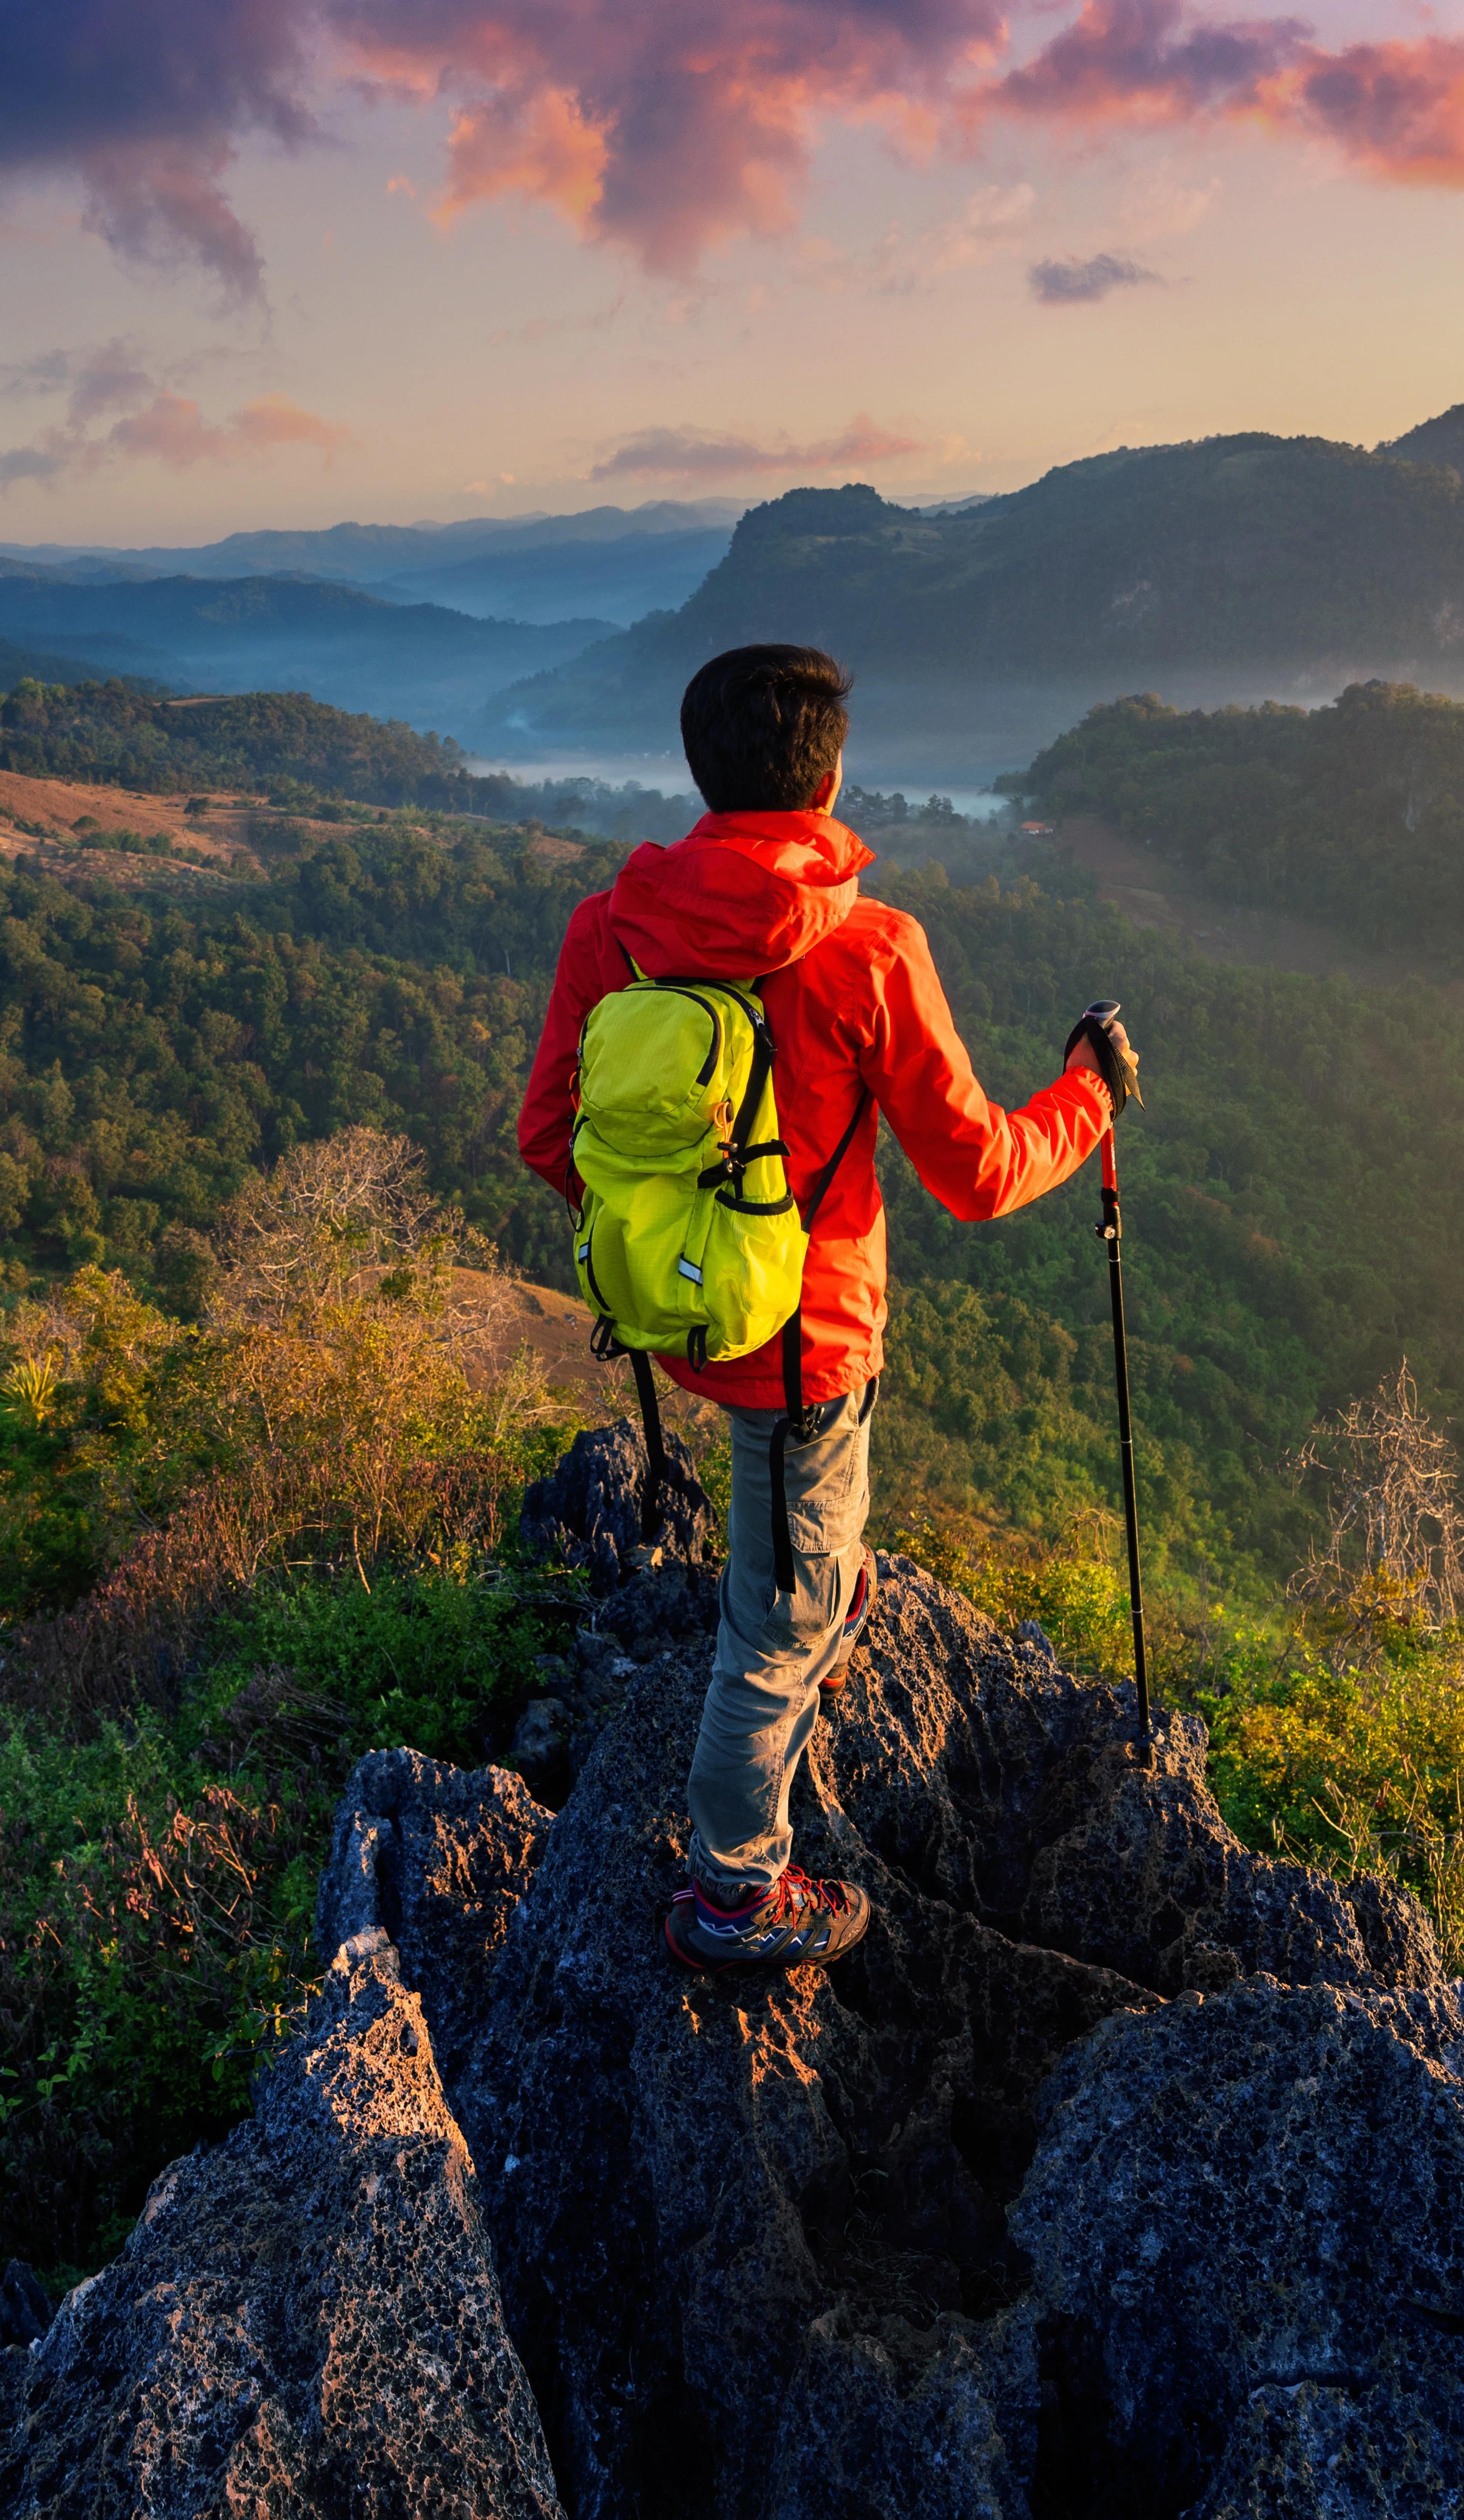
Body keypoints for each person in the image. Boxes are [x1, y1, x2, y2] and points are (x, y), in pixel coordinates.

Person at [518, 643, 1140, 1974]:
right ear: (829, 779)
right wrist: (1086, 1097)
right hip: (809, 1346)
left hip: (685, 1320)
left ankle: (824, 1588)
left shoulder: (610, 930)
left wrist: (678, 1241)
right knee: (770, 1632)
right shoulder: (870, 948)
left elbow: (547, 1136)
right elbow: (976, 1175)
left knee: (801, 1544)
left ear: (702, 773)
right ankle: (733, 1893)